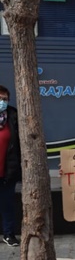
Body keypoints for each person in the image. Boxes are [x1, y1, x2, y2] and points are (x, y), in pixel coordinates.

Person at [0, 86, 21, 247]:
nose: (2, 102)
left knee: (7, 204)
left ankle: (9, 234)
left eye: (5, 99)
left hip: (8, 170)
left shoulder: (13, 116)